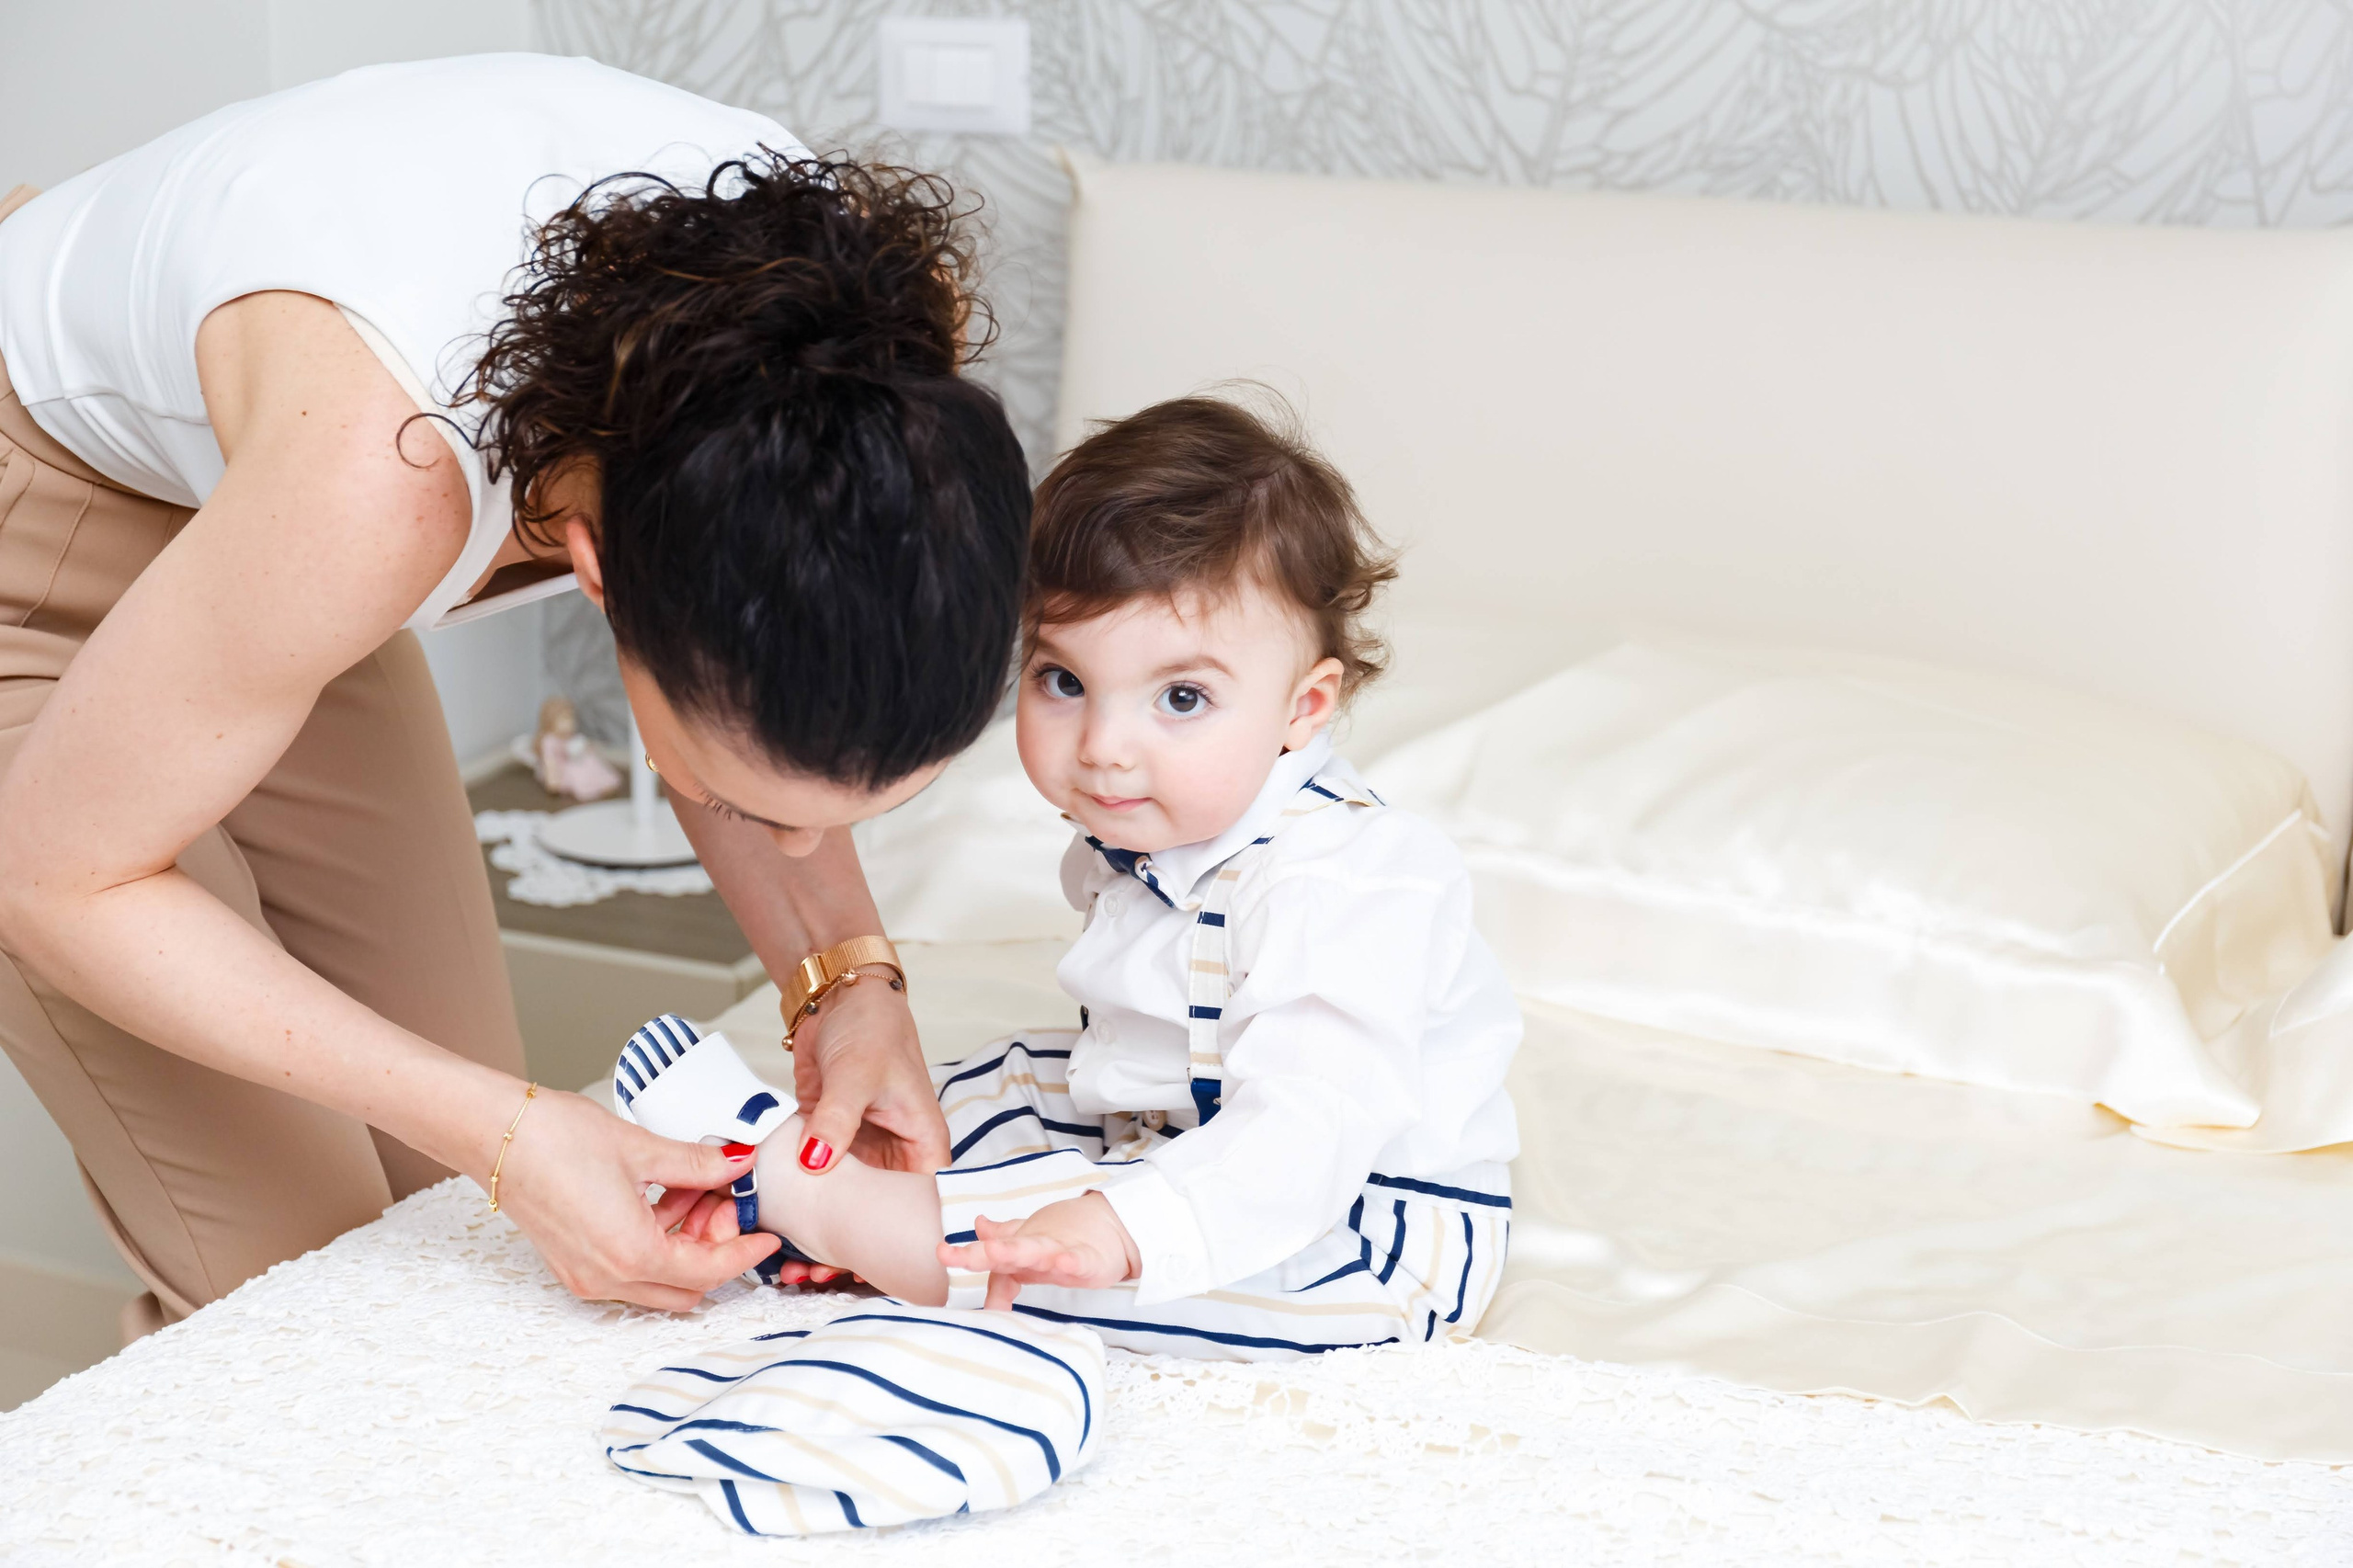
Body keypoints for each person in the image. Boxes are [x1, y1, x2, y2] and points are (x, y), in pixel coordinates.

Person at [0, 54, 1023, 1330]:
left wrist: (848, 984)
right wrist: (506, 1127)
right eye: (727, 784)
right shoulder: (386, 481)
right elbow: (54, 877)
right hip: (35, 522)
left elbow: (739, 679)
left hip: (258, 520)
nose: (802, 846)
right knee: (310, 1294)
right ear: (593, 570)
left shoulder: (856, 366)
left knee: (448, 1214)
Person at [615, 395, 1522, 1358]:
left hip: (1354, 1214)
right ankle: (815, 1162)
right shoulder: (1140, 829)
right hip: (1160, 1120)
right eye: (1062, 680)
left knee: (1058, 1266)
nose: (1103, 749)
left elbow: (1308, 1131)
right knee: (990, 1089)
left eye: (1181, 696)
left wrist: (1122, 1229)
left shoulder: (1353, 882)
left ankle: (823, 1205)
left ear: (1303, 708)